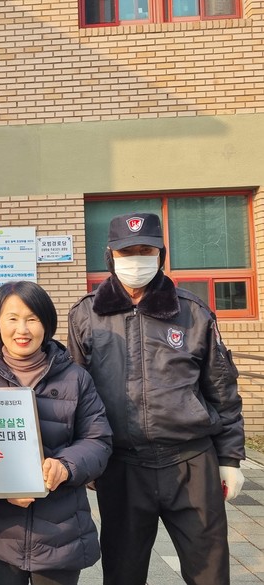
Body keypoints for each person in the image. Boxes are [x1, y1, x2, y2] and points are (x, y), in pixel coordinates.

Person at [67, 212, 246, 585]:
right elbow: (76, 394)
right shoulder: (87, 314)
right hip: (122, 466)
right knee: (123, 573)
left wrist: (229, 457)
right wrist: (85, 456)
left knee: (209, 572)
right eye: (127, 252)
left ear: (160, 255)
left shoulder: (192, 312)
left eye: (145, 251)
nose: (136, 260)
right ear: (110, 256)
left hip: (191, 461)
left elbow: (221, 388)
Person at [0, 281, 112, 585]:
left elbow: (98, 440)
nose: (22, 329)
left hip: (60, 530)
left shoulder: (76, 378)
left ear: (47, 323)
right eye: (12, 318)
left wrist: (64, 467)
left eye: (32, 318)